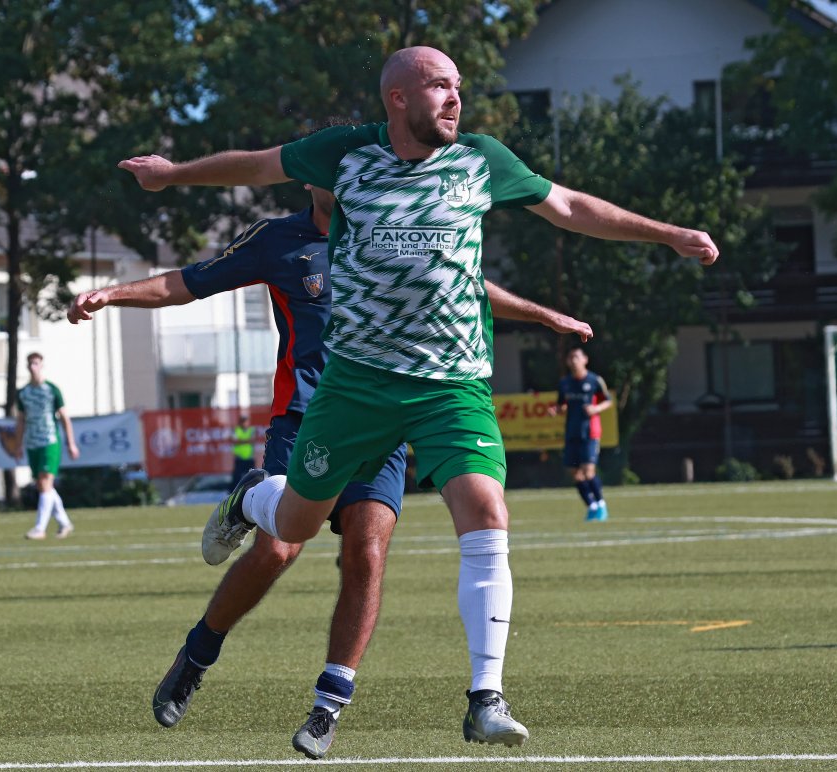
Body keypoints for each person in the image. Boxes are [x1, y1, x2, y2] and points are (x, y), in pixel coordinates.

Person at [118, 45, 717, 745]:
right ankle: (251, 495)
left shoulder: (482, 160)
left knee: (485, 510)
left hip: (451, 383)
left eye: (458, 86)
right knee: (293, 525)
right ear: (398, 98)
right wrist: (171, 176)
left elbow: (569, 205)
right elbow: (254, 163)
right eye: (440, 86)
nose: (456, 98)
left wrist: (667, 234)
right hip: (356, 385)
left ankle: (485, 697)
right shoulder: (343, 154)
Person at [68, 184, 591, 758]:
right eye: (331, 171)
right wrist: (110, 294)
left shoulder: (389, 232)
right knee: (278, 550)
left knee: (366, 551)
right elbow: (187, 281)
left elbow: (462, 286)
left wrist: (543, 316)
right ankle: (197, 653)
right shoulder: (278, 240)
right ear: (310, 178)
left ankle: (328, 704)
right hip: (304, 420)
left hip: (380, 420)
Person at [12, 352, 80, 540]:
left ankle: (40, 528)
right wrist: (18, 445)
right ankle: (65, 523)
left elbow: (64, 417)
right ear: (27, 367)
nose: (33, 367)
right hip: (32, 442)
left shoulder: (52, 390)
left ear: (41, 365)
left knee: (45, 482)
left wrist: (71, 443)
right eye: (31, 364)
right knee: (44, 487)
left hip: (49, 440)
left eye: (36, 363)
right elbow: (21, 421)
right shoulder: (23, 393)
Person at [551, 347, 613, 521]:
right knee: (574, 472)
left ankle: (601, 505)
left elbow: (607, 401)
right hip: (571, 431)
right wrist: (555, 410)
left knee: (588, 471)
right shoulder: (565, 383)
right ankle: (591, 506)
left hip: (590, 431)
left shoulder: (594, 380)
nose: (573, 360)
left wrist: (596, 408)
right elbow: (562, 404)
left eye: (576, 357)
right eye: (570, 357)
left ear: (585, 359)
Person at [231, 414, 256, 489]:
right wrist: (246, 440)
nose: (244, 423)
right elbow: (234, 441)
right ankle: (234, 492)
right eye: (242, 421)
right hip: (239, 457)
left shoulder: (251, 430)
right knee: (237, 478)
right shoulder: (236, 430)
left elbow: (252, 440)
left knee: (252, 477)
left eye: (245, 421)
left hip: (249, 457)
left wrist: (241, 440)